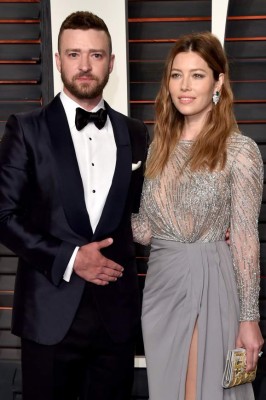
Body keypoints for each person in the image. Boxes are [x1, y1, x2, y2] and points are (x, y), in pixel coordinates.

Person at [0, 11, 149, 400]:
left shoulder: (135, 132)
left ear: (111, 62)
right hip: (49, 313)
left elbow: (142, 214)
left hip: (116, 316)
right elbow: (4, 215)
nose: (84, 66)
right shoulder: (25, 127)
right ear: (58, 60)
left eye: (96, 55)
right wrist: (70, 258)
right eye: (74, 54)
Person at [132, 31, 264, 400]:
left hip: (210, 280)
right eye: (176, 75)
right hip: (160, 286)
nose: (184, 86)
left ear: (218, 82)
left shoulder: (239, 150)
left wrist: (249, 318)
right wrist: (89, 218)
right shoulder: (159, 146)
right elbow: (145, 229)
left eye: (198, 74)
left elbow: (244, 239)